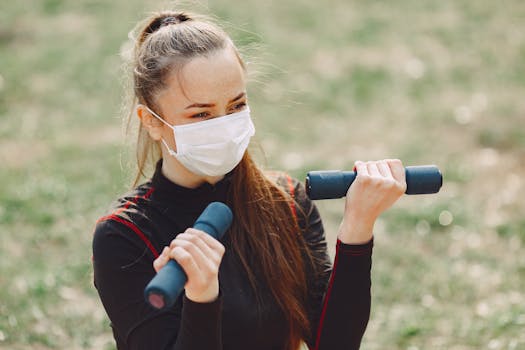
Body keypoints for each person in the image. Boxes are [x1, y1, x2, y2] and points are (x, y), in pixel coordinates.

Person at [92, 10, 407, 350]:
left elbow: (335, 344)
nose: (224, 126)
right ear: (150, 121)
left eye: (236, 105)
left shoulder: (286, 201)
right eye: (201, 114)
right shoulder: (124, 237)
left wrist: (358, 228)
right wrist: (201, 298)